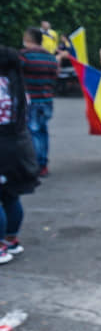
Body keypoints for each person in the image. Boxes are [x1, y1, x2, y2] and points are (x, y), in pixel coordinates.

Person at [0, 46, 40, 265]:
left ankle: (0, 247)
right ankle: (11, 239)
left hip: (2, 145)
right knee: (11, 196)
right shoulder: (19, 89)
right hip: (19, 147)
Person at [20, 27, 57, 178]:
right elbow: (54, 78)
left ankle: (35, 166)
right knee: (43, 131)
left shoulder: (24, 56)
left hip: (31, 100)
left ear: (28, 39)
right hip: (47, 100)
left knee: (33, 132)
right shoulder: (50, 57)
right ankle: (43, 164)